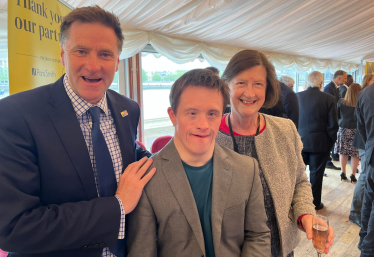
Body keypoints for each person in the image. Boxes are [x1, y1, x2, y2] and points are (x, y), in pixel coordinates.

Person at [0, 6, 155, 256]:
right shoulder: (15, 115)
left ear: (117, 63)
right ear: (63, 56)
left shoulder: (129, 108)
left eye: (105, 54)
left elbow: (128, 151)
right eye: (81, 51)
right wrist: (117, 206)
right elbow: (15, 228)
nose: (93, 66)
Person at [127, 69, 271, 257]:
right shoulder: (146, 178)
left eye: (212, 113)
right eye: (192, 113)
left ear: (221, 116)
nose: (203, 124)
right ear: (173, 115)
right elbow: (142, 252)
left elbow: (258, 235)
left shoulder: (247, 169)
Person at [216, 50, 334, 257]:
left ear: (268, 88)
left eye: (258, 84)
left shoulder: (285, 130)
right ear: (226, 86)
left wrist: (306, 214)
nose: (250, 93)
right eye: (241, 83)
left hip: (279, 248)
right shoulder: (208, 134)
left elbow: (299, 181)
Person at [297, 71, 338, 210]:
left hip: (299, 141)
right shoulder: (329, 98)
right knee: (316, 174)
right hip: (320, 142)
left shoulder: (297, 97)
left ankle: (295, 203)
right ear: (321, 83)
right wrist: (331, 142)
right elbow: (333, 124)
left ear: (307, 82)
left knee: (297, 174)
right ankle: (314, 204)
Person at [356, 83, 374, 256]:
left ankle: (364, 243)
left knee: (369, 199)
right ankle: (367, 250)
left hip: (370, 153)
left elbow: (361, 127)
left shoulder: (365, 92)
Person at [335, 83, 362, 182]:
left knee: (343, 152)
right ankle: (353, 174)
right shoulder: (360, 103)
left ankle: (343, 172)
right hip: (357, 131)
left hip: (343, 129)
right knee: (355, 153)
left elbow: (337, 115)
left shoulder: (341, 102)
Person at [324, 70, 347, 169]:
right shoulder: (329, 88)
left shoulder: (335, 87)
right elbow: (330, 105)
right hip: (330, 119)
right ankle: (328, 161)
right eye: (345, 78)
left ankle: (333, 156)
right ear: (339, 78)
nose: (346, 80)